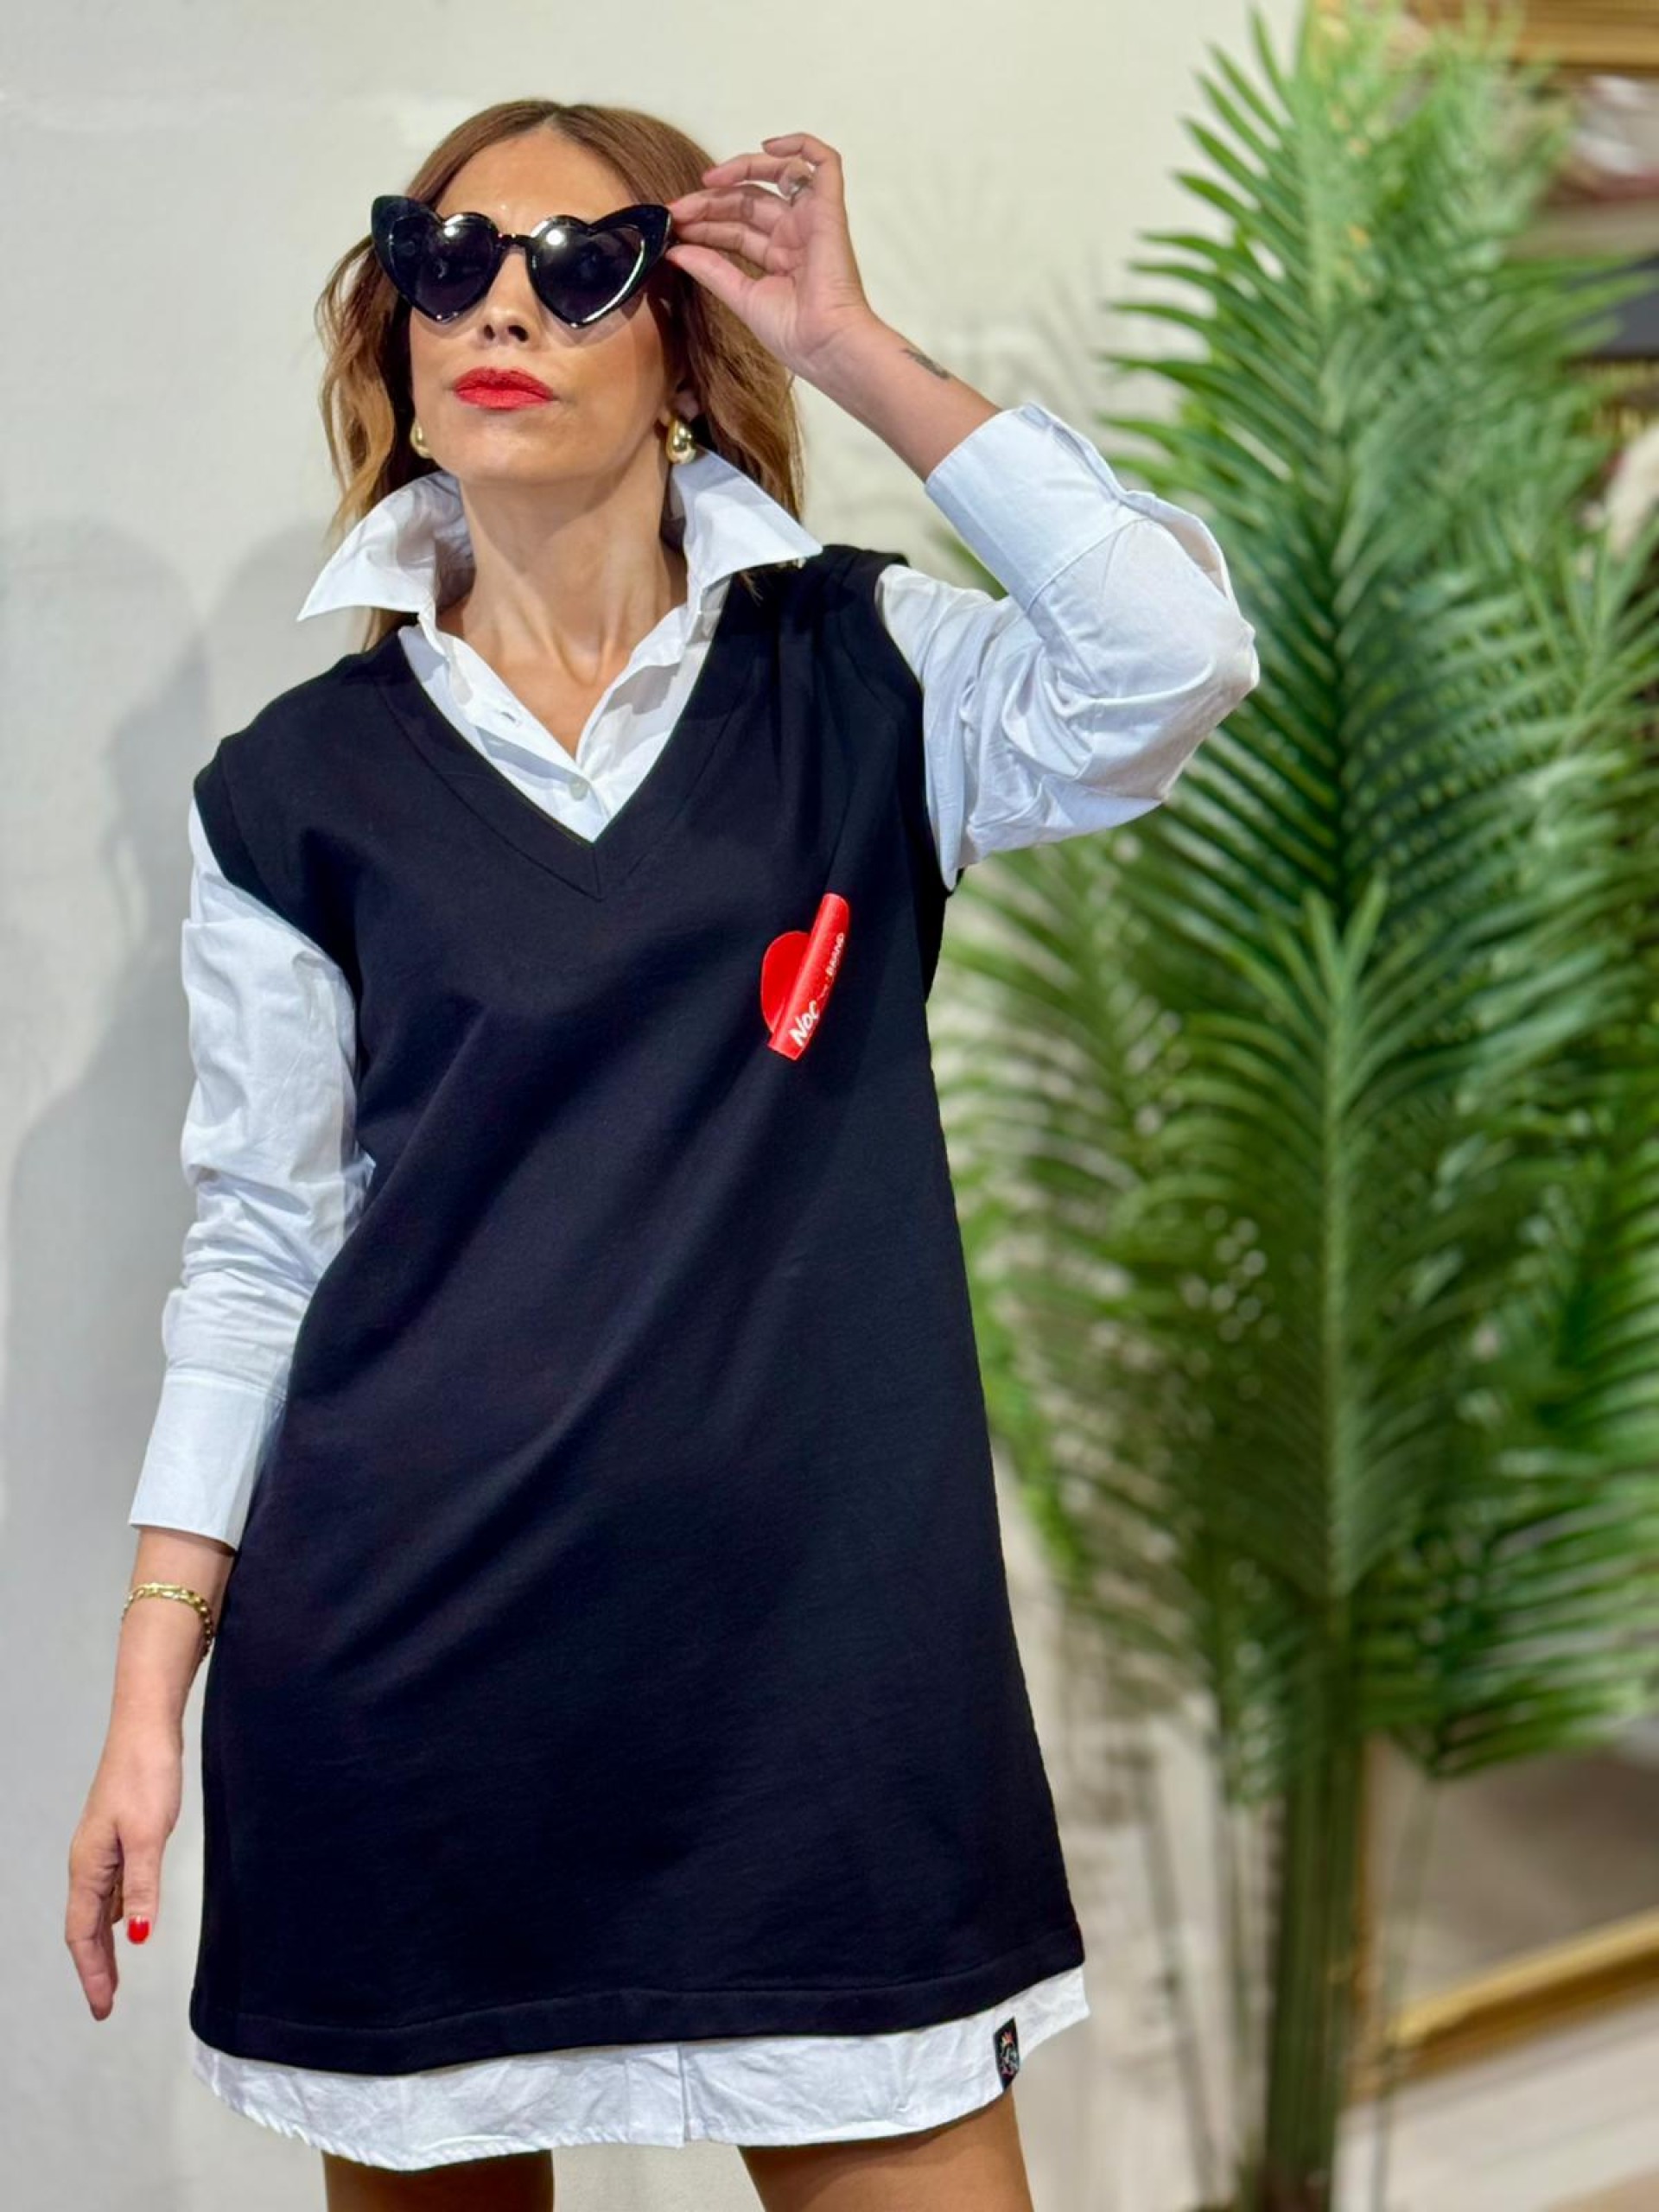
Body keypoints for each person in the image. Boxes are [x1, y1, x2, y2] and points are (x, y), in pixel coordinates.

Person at [66, 98, 1259, 2212]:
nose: (500, 307)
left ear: (686, 342)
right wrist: (152, 1691)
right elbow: (261, 1253)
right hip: (414, 1683)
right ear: (395, 331)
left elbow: (1173, 657)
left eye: (581, 265)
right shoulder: (293, 794)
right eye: (446, 262)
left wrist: (852, 344)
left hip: (826, 1691)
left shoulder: (869, 678)